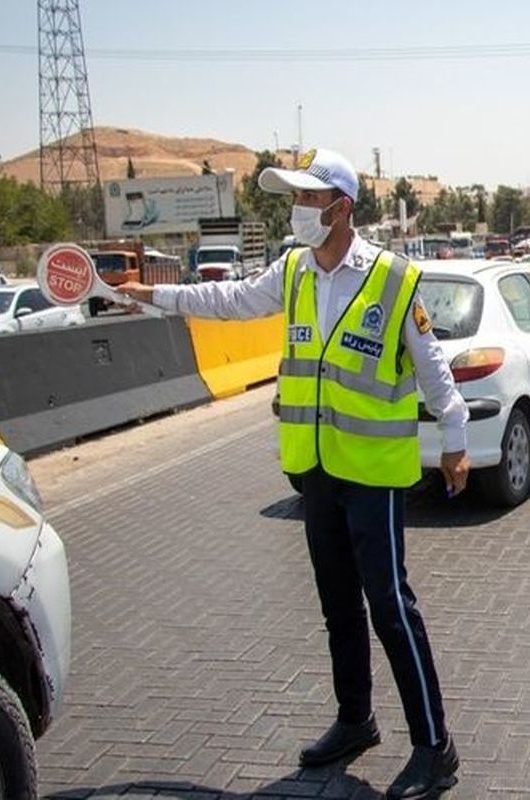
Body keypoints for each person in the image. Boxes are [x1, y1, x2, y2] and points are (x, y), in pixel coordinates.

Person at [118, 147, 468, 799]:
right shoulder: (295, 273)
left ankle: (435, 748)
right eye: (295, 199)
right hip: (316, 471)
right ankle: (355, 719)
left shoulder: (393, 279)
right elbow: (227, 298)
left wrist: (454, 438)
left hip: (375, 473)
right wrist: (154, 295)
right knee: (339, 606)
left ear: (342, 208)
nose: (299, 210)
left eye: (309, 199)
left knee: (389, 607)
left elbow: (433, 367)